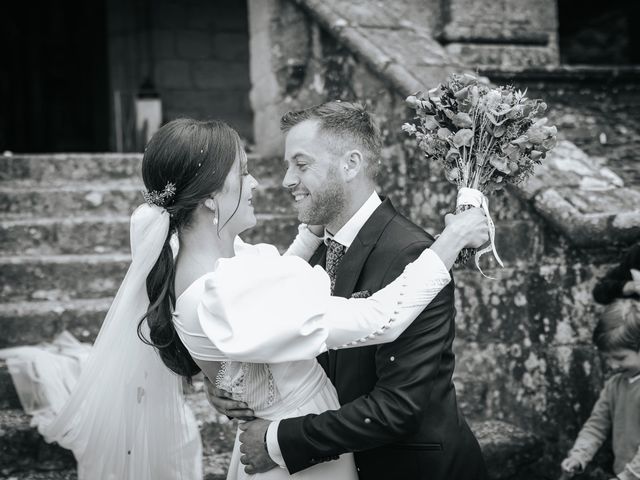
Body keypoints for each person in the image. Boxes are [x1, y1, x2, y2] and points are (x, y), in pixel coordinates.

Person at [16, 117, 487, 480]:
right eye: (244, 172)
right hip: (302, 459)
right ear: (210, 198)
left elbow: (270, 297)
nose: (266, 182)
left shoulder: (202, 263)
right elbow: (378, 318)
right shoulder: (222, 292)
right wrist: (448, 244)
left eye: (299, 164)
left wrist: (229, 378)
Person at [210, 102, 489, 480]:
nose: (287, 180)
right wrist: (230, 385)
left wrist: (278, 442)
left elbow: (398, 406)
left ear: (351, 164)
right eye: (288, 166)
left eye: (301, 165)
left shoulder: (411, 255)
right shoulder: (312, 253)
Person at [561, 299, 640, 480]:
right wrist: (578, 455)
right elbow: (597, 425)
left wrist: (628, 476)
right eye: (608, 358)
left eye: (620, 358)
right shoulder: (614, 385)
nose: (613, 365)